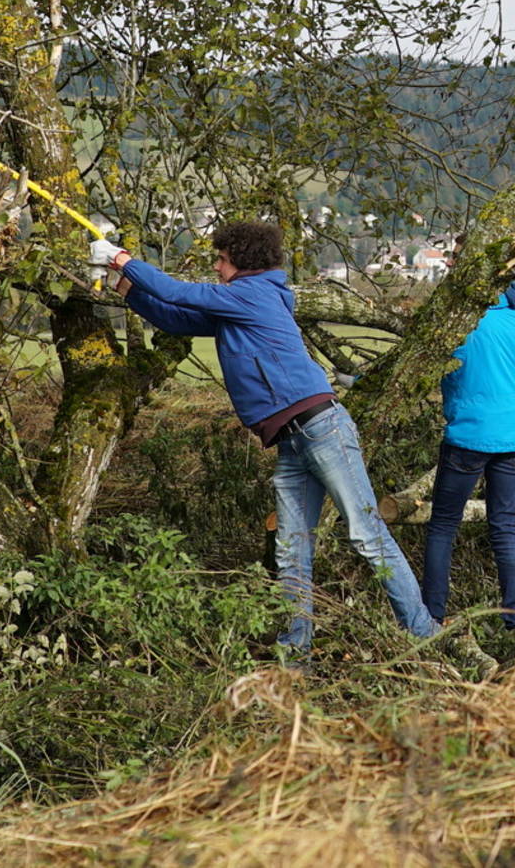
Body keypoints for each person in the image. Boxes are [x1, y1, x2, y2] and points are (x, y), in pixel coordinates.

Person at [90, 221, 438, 656]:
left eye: (220, 260)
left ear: (242, 261)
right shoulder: (241, 303)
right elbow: (175, 318)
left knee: (366, 534)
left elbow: (177, 292)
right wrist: (125, 286)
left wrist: (121, 257)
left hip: (321, 428)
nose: (216, 268)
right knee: (292, 551)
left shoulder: (251, 294)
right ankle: (295, 656)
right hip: (291, 440)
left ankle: (423, 636)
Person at [421, 239, 515, 630]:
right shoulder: (514, 317)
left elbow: (416, 371)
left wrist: (359, 381)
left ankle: (431, 616)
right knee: (504, 526)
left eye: (455, 257)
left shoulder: (456, 321)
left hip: (469, 434)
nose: (450, 262)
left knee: (443, 526)